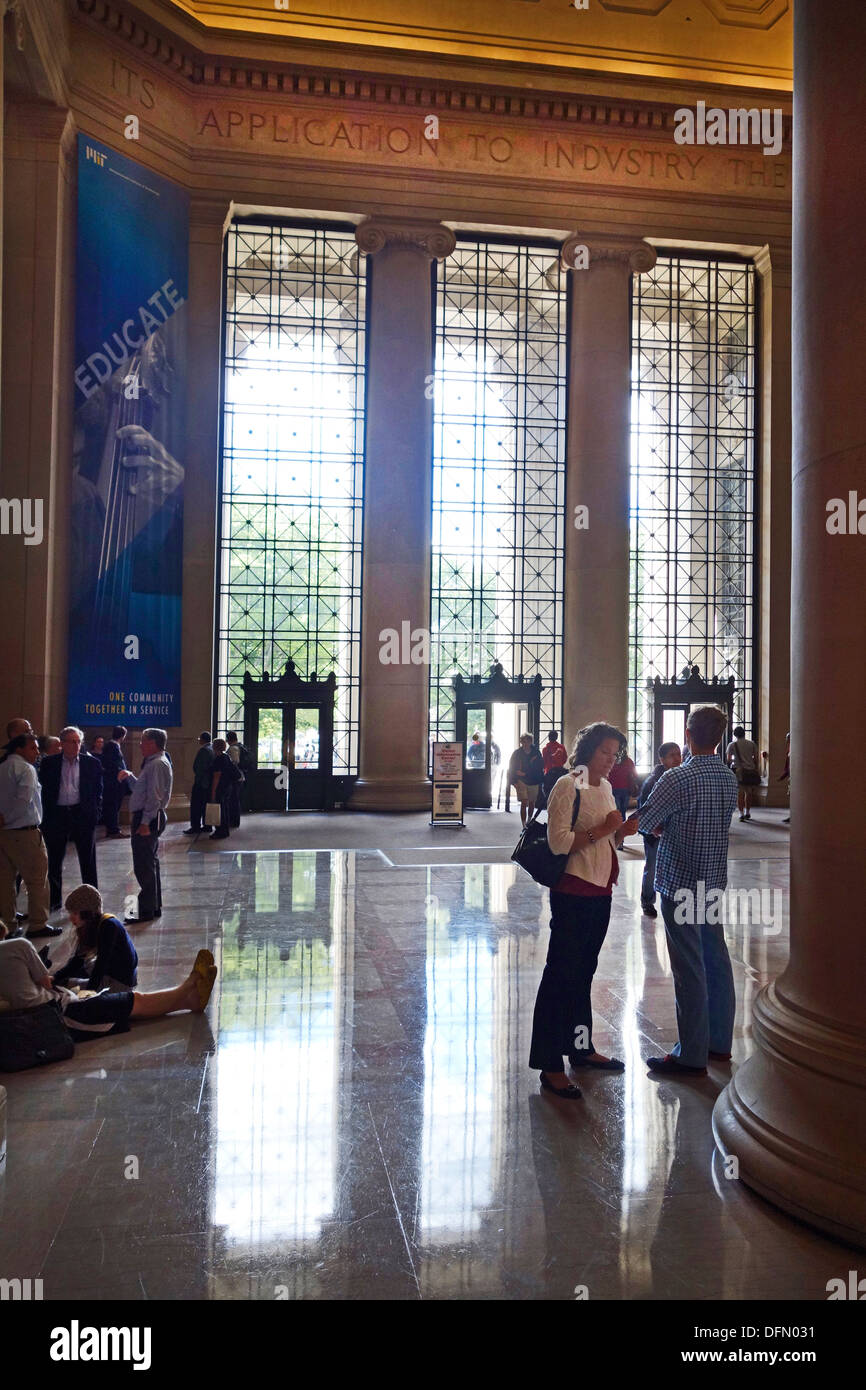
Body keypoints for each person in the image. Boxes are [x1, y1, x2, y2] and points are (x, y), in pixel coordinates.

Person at [529, 722, 640, 1099]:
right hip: (574, 890)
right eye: (606, 752)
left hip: (600, 889)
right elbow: (558, 843)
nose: (611, 761)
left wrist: (622, 831)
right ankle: (548, 1063)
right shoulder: (567, 784)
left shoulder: (607, 787)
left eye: (616, 754)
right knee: (561, 975)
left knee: (583, 972)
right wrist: (601, 830)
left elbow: (606, 833)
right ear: (588, 750)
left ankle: (580, 1047)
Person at [638, 704, 738, 1076]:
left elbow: (646, 821)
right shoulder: (728, 778)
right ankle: (719, 1044)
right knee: (716, 958)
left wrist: (663, 827)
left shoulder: (676, 777)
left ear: (689, 735)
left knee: (688, 967)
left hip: (680, 882)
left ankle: (691, 1054)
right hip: (712, 881)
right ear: (720, 737)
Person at [0, 934, 217, 1046]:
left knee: (128, 1009)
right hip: (60, 1015)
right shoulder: (18, 946)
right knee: (135, 1001)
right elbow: (46, 983)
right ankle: (189, 986)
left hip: (34, 1022)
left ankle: (190, 1002)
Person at [39, 726, 103, 911]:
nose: (76, 745)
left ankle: (91, 902)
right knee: (54, 859)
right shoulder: (49, 763)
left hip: (82, 814)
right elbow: (44, 790)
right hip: (57, 815)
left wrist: (95, 813)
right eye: (72, 741)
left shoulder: (92, 763)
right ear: (62, 744)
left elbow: (98, 791)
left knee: (88, 860)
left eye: (78, 742)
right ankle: (54, 901)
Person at [0, 733, 55, 940]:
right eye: (33, 748)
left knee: (5, 881)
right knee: (37, 879)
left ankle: (8, 924)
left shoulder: (2, 767)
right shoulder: (26, 769)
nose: (37, 752)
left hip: (2, 835)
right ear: (19, 749)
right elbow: (22, 801)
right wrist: (7, 819)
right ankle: (38, 924)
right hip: (24, 832)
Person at [118, 728, 173, 924]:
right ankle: (153, 906)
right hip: (149, 816)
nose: (140, 744)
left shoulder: (156, 764)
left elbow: (154, 797)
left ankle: (144, 910)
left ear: (153, 743)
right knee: (149, 862)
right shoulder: (154, 763)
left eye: (143, 741)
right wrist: (131, 777)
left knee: (143, 865)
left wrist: (144, 822)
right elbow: (144, 790)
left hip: (147, 817)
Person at [50, 885, 138, 992]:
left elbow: (101, 966)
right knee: (79, 969)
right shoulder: (90, 926)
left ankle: (71, 985)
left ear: (87, 913)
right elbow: (78, 960)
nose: (70, 917)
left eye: (75, 913)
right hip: (110, 969)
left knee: (78, 991)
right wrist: (55, 977)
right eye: (70, 913)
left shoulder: (109, 926)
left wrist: (88, 993)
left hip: (121, 979)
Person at [637, 742, 683, 917]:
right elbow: (644, 810)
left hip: (672, 833)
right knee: (652, 867)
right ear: (662, 759)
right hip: (654, 835)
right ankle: (647, 900)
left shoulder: (678, 777)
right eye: (672, 755)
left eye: (678, 754)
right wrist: (653, 828)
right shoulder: (653, 781)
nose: (677, 758)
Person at [726, 724, 762, 822]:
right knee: (749, 792)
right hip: (750, 770)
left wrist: (730, 766)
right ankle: (748, 812)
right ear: (744, 734)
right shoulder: (752, 744)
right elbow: (756, 758)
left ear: (735, 734)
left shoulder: (732, 745)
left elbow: (728, 759)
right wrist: (755, 768)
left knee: (740, 793)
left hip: (739, 771)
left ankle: (741, 814)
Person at [508, 733, 544, 827]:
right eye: (523, 741)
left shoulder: (536, 753)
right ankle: (523, 824)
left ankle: (529, 820)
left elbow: (539, 767)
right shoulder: (517, 753)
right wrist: (513, 781)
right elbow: (512, 767)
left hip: (533, 780)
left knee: (532, 802)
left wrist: (525, 773)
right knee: (524, 801)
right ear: (521, 742)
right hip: (521, 781)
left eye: (528, 741)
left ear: (531, 742)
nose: (525, 743)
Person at [209, 738, 241, 840]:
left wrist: (213, 792)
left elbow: (216, 777)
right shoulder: (226, 757)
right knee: (224, 809)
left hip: (220, 788)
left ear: (214, 746)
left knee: (220, 810)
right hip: (228, 786)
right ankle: (224, 830)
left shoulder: (218, 759)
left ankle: (220, 831)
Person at [101, 726, 129, 838]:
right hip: (114, 783)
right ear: (122, 736)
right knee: (113, 806)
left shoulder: (113, 746)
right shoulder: (112, 747)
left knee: (114, 806)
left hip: (115, 782)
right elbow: (112, 765)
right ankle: (113, 830)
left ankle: (112, 829)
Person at [184, 732, 214, 836]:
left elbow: (199, 767)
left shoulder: (204, 751)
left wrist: (199, 779)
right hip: (208, 782)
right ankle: (207, 825)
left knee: (196, 805)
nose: (198, 740)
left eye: (199, 738)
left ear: (203, 739)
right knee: (205, 805)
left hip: (201, 783)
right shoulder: (212, 749)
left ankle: (195, 826)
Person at [607, 746, 638, 819]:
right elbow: (635, 775)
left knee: (616, 810)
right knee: (623, 811)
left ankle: (617, 827)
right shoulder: (629, 761)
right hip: (626, 789)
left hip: (613, 788)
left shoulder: (611, 760)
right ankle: (622, 825)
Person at [225, 731, 248, 827]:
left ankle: (234, 821)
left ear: (228, 739)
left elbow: (235, 763)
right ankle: (234, 820)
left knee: (233, 800)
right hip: (240, 777)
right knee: (235, 799)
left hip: (235, 778)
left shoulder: (233, 749)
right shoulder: (240, 746)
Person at [780, 730, 791, 824]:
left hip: (793, 776)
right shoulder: (790, 748)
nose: (786, 740)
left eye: (787, 738)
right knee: (790, 795)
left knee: (792, 795)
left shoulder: (792, 749)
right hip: (791, 775)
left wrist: (784, 775)